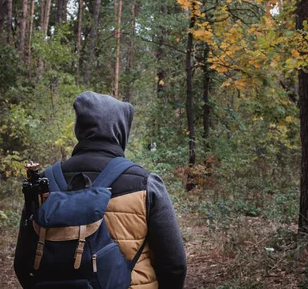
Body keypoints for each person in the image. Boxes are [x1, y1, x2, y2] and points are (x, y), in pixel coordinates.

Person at [14, 91, 187, 289]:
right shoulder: (146, 183)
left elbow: (23, 262)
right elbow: (174, 264)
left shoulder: (43, 182)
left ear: (80, 128)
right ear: (120, 130)